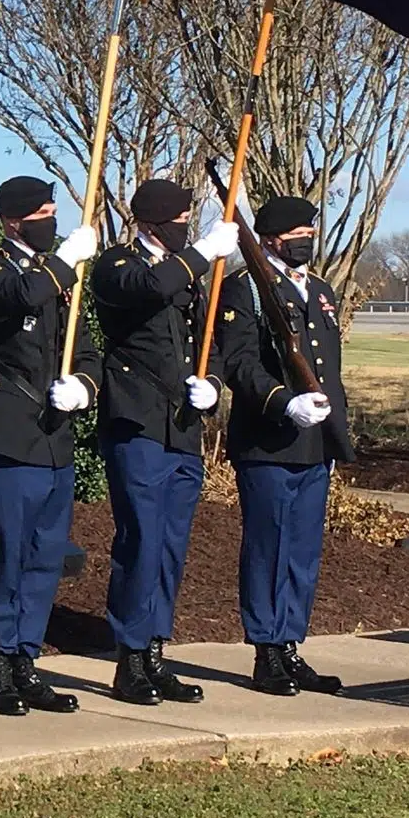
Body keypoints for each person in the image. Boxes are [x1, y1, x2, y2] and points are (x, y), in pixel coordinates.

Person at [89, 178, 240, 706]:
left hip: (181, 424)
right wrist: (200, 251)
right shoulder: (119, 264)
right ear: (149, 224)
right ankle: (129, 657)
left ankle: (156, 651)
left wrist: (212, 385)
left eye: (188, 221)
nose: (185, 227)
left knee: (172, 547)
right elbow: (149, 289)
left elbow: (209, 342)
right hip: (137, 421)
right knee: (142, 539)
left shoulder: (194, 277)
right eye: (177, 221)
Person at [0, 175, 102, 715]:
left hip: (52, 435)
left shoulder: (62, 279)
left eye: (53, 210)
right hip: (8, 431)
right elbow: (21, 295)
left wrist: (83, 389)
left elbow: (84, 349)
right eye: (42, 212)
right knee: (7, 551)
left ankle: (26, 658)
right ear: (13, 220)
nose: (51, 219)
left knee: (44, 556)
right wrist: (65, 259)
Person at [216, 194, 352, 697]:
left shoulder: (317, 289)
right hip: (269, 442)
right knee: (268, 547)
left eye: (309, 234)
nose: (305, 242)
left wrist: (333, 435)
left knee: (301, 552)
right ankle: (266, 651)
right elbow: (240, 365)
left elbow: (328, 367)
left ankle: (291, 644)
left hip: (314, 443)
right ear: (271, 238)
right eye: (297, 234)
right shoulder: (245, 290)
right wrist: (282, 404)